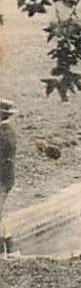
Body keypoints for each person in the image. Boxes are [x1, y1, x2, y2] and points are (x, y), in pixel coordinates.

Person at [0, 99, 17, 255]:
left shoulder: (4, 134)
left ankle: (6, 250)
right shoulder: (7, 131)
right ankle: (10, 250)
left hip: (2, 179)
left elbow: (4, 160)